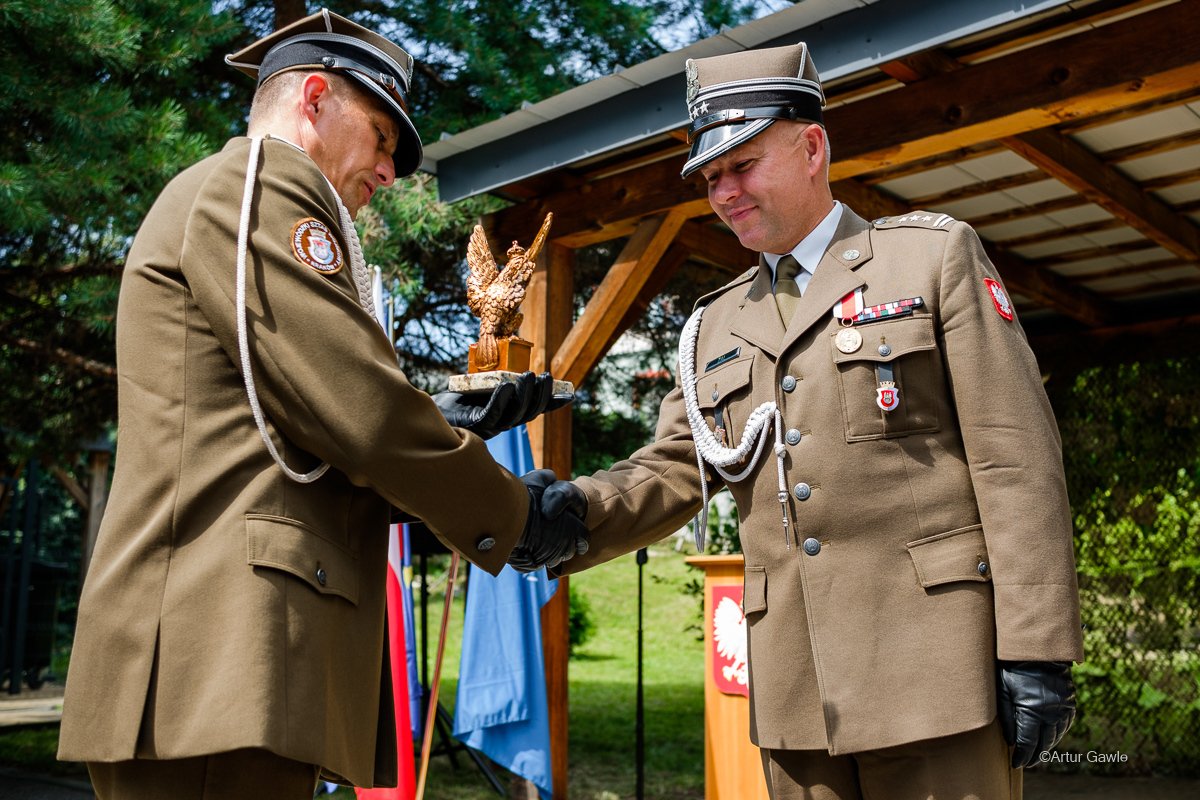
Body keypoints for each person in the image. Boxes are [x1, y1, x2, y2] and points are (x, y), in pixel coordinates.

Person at [522, 42, 1083, 800]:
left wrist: (1038, 650)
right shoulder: (714, 326)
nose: (724, 192)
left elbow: (1015, 461)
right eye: (711, 177)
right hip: (797, 695)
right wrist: (577, 514)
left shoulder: (927, 260)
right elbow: (678, 465)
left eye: (742, 165)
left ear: (812, 146)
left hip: (936, 676)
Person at [58, 9, 584, 798]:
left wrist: (441, 426)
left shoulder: (236, 194)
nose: (391, 171)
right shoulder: (263, 185)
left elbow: (284, 428)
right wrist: (511, 514)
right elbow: (360, 415)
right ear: (313, 99)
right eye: (380, 136)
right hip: (217, 654)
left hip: (212, 660)